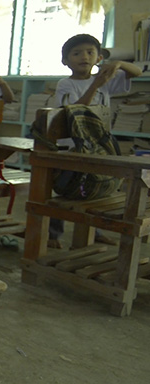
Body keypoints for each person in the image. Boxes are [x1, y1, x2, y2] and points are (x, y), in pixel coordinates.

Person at [46, 33, 141, 249]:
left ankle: (94, 232)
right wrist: (96, 85)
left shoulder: (106, 78)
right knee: (66, 189)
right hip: (71, 147)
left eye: (91, 52)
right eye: (77, 53)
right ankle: (53, 233)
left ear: (98, 58)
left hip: (99, 147)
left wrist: (118, 63)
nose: (84, 57)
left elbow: (138, 71)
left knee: (96, 188)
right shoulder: (65, 84)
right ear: (65, 61)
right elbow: (75, 110)